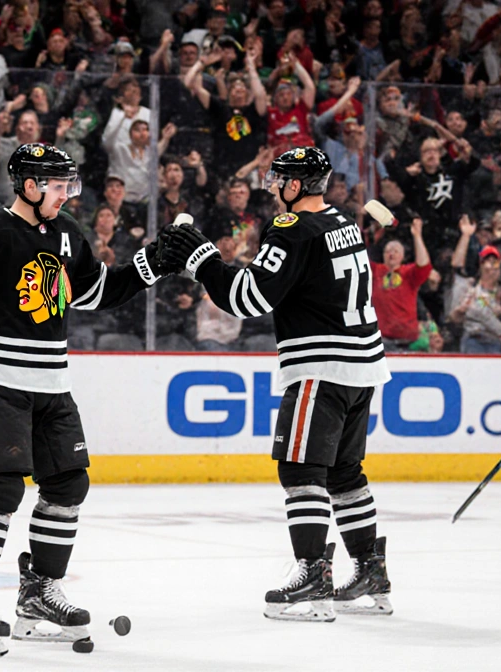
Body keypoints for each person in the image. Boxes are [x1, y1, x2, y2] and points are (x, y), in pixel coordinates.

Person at [0, 144, 172, 656]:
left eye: (69, 184)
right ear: (27, 185)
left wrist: (154, 261)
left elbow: (97, 292)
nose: (66, 193)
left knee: (69, 484)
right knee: (0, 488)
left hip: (50, 379)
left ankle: (38, 594)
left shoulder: (68, 232)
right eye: (57, 185)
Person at [160, 146, 392, 622]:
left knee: (300, 470)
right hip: (362, 365)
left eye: (278, 179)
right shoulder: (342, 221)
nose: (271, 186)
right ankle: (370, 571)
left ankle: (311, 577)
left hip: (321, 366)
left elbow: (247, 299)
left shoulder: (292, 228)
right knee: (345, 472)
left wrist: (204, 260)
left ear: (295, 185)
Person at [371, 218, 431, 350]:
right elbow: (358, 257)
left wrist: (417, 236)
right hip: (381, 340)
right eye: (388, 251)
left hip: (407, 340)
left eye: (395, 251)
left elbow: (424, 265)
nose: (391, 253)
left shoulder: (408, 273)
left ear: (402, 256)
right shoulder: (375, 270)